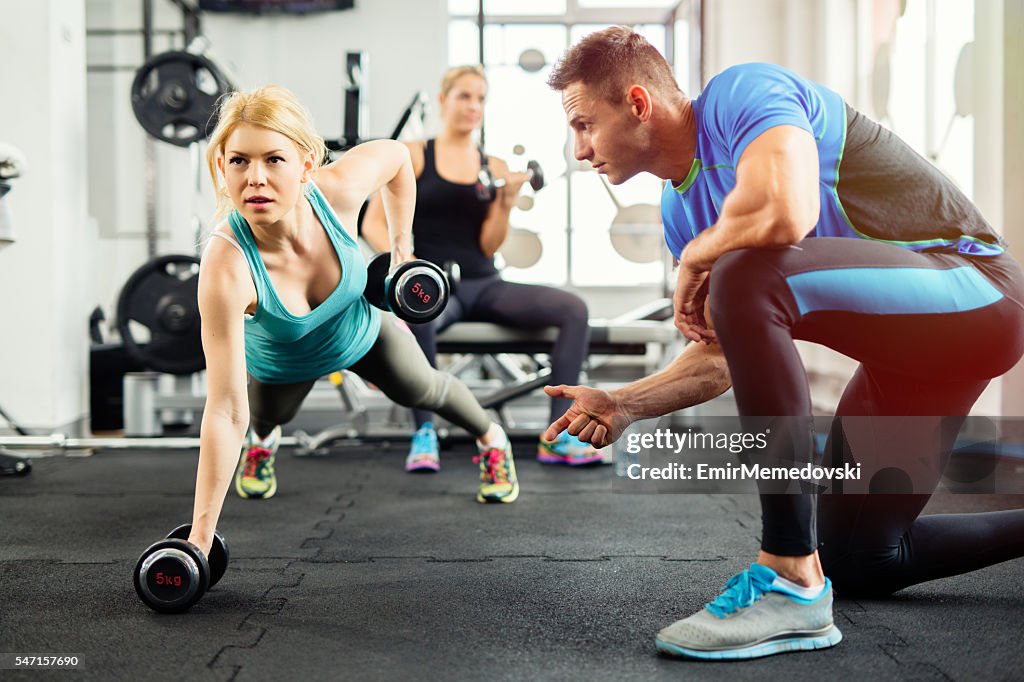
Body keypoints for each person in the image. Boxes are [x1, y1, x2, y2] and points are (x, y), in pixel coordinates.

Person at [543, 26, 1024, 660]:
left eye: (584, 125)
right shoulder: (680, 210)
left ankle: (790, 577)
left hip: (980, 295)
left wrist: (700, 256)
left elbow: (785, 211)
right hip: (910, 358)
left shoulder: (742, 96)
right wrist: (626, 403)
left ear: (637, 103)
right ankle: (816, 567)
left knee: (745, 271)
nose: (578, 150)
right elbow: (723, 352)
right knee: (861, 558)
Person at [187, 85, 519, 556]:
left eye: (274, 160)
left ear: (305, 164)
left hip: (359, 331)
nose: (255, 178)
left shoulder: (338, 190)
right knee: (262, 417)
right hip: (284, 360)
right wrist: (199, 539)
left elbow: (399, 159)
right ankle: (264, 444)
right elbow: (224, 409)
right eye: (239, 160)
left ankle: (493, 441)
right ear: (222, 167)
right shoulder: (226, 265)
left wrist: (401, 252)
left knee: (425, 388)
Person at [362, 65, 601, 473]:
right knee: (418, 318)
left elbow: (489, 244)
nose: (473, 106)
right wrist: (408, 266)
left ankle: (558, 438)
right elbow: (372, 223)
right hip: (435, 289)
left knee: (573, 310)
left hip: (484, 283)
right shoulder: (416, 155)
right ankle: (425, 434)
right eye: (464, 96)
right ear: (444, 100)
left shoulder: (493, 164)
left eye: (481, 98)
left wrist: (506, 201)